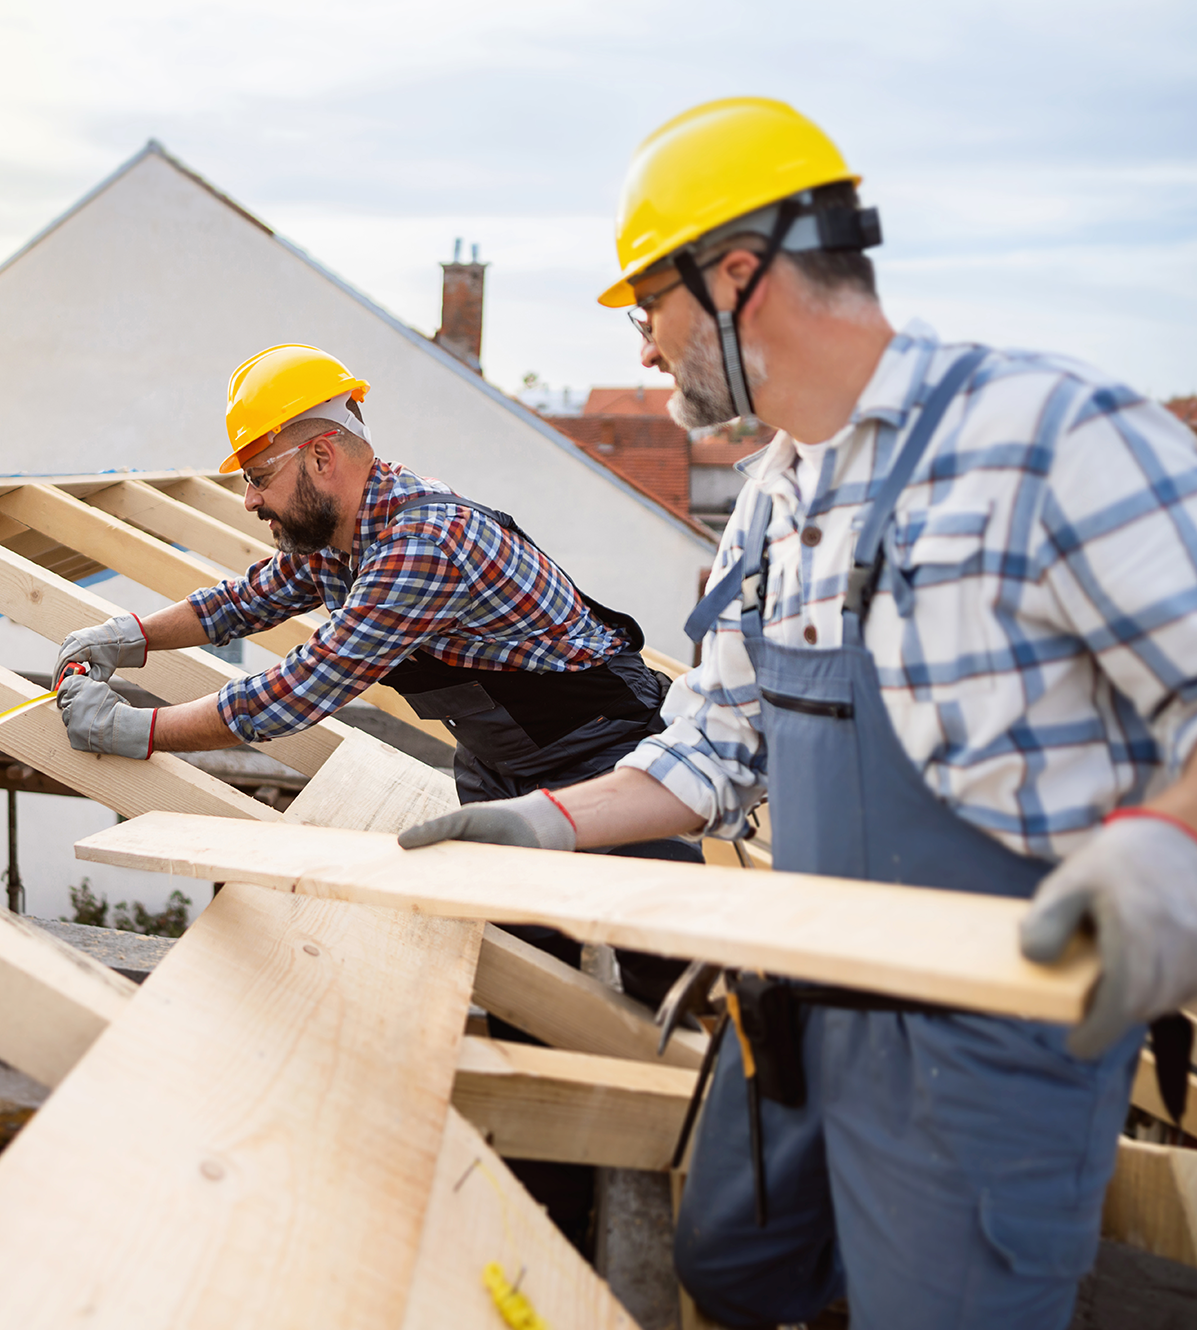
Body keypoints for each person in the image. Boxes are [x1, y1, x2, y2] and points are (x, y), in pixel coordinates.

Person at [400, 96, 1197, 1328]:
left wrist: (1165, 846)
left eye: (651, 310)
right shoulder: (775, 498)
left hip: (987, 1033)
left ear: (734, 276)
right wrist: (544, 822)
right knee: (734, 1264)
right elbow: (719, 741)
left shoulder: (1045, 436)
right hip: (807, 998)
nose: (649, 351)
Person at [51, 343, 705, 895]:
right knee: (519, 938)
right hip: (500, 761)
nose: (249, 500)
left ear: (322, 459)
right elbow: (246, 600)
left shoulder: (421, 548)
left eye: (257, 477)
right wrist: (127, 637)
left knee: (659, 938)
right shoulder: (339, 535)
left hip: (603, 752)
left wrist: (131, 728)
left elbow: (292, 693)